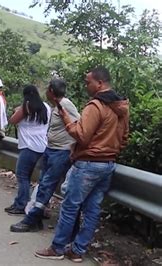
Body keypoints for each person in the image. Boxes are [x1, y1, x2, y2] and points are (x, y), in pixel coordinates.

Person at [35, 67, 129, 263]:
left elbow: (82, 135)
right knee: (93, 209)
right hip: (108, 164)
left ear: (100, 83)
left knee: (70, 207)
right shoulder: (121, 107)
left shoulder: (96, 106)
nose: (86, 86)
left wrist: (68, 121)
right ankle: (78, 250)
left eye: (88, 82)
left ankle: (58, 248)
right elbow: (124, 138)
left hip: (88, 164)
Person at [10, 79, 80, 231]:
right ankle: (37, 214)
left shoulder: (65, 104)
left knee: (46, 185)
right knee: (43, 184)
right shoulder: (54, 107)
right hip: (50, 149)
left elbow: (79, 125)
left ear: (52, 92)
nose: (45, 92)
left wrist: (73, 145)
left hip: (61, 152)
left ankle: (32, 220)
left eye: (47, 89)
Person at [5, 85, 51, 214]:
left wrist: (17, 109)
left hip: (28, 146)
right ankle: (31, 203)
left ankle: (21, 204)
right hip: (42, 146)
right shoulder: (46, 107)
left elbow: (13, 120)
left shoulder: (26, 107)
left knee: (22, 176)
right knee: (33, 178)